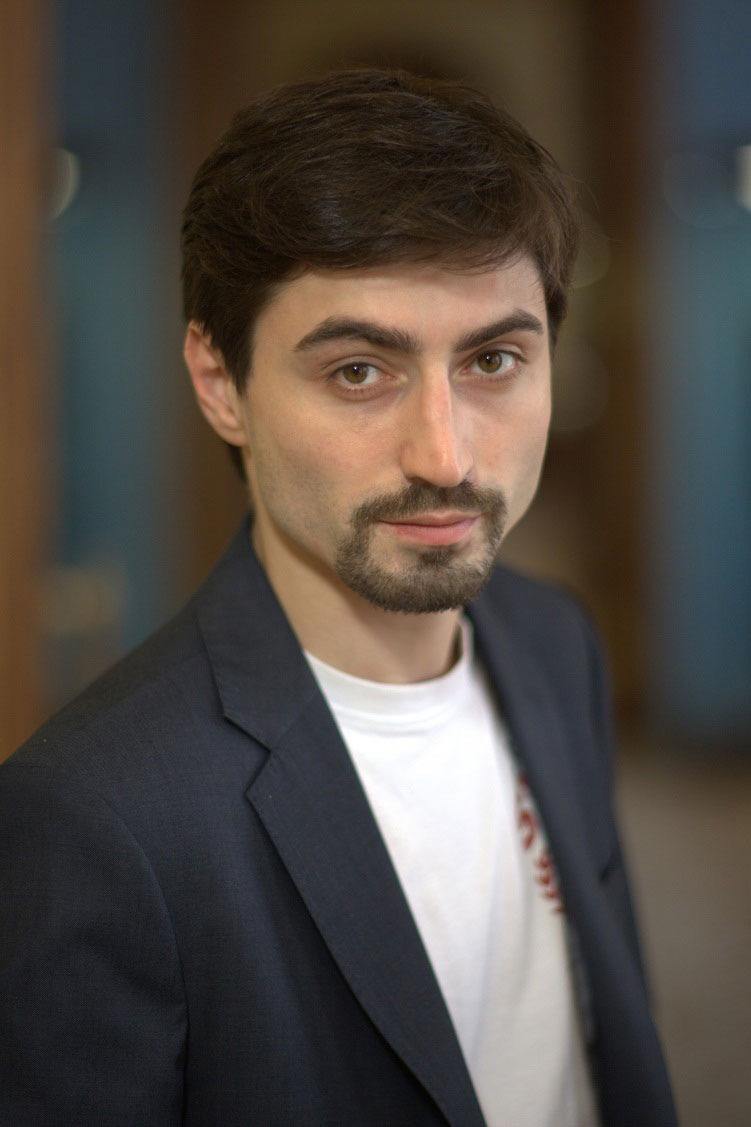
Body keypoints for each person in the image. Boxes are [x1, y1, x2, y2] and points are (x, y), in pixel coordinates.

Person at [0, 68, 676, 1126]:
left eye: (493, 359)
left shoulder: (557, 645)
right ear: (220, 382)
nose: (445, 455)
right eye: (360, 370)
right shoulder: (97, 813)